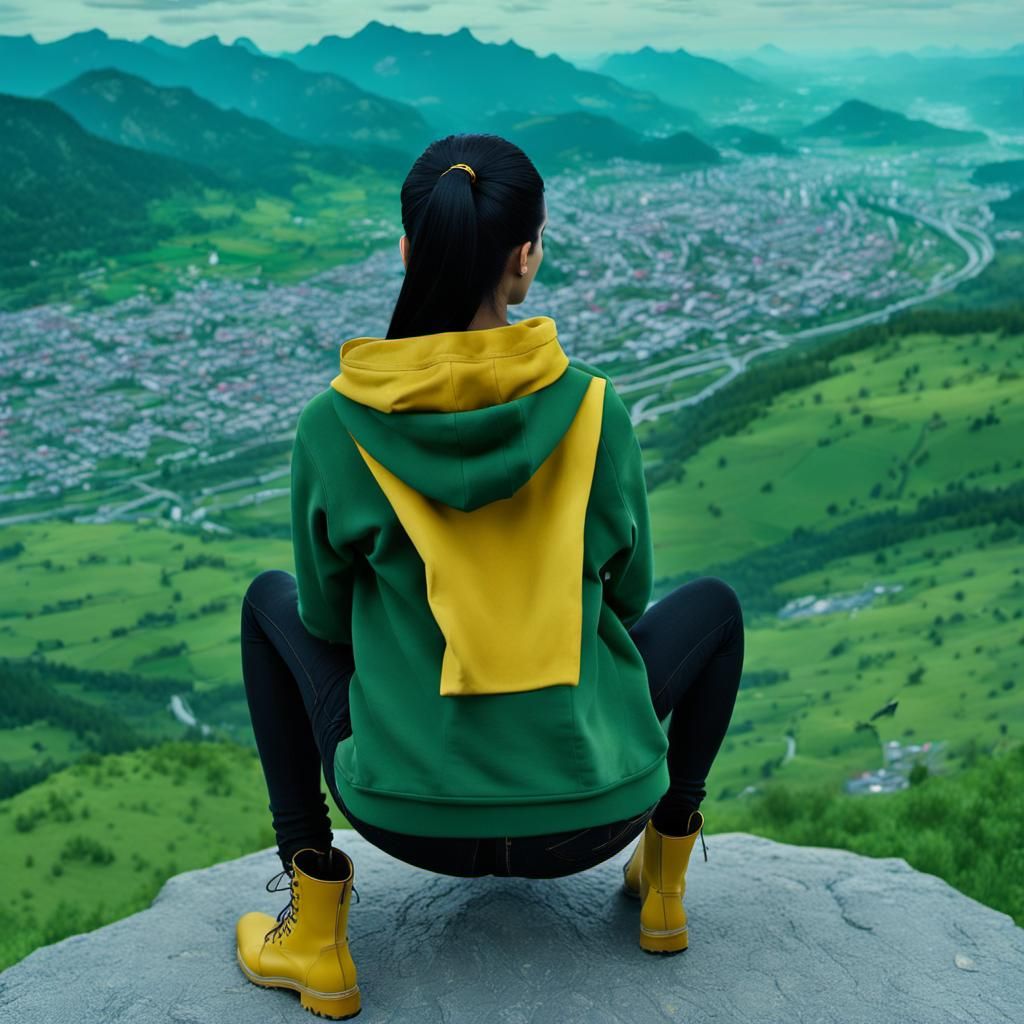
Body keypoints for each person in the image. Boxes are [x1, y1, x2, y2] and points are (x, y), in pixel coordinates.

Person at [235, 133, 745, 1020]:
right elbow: (627, 600)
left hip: (404, 816)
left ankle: (315, 924)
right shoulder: (593, 409)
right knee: (716, 612)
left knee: (265, 605)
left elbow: (320, 616)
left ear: (410, 247)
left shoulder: (334, 425)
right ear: (526, 257)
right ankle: (662, 874)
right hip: (593, 816)